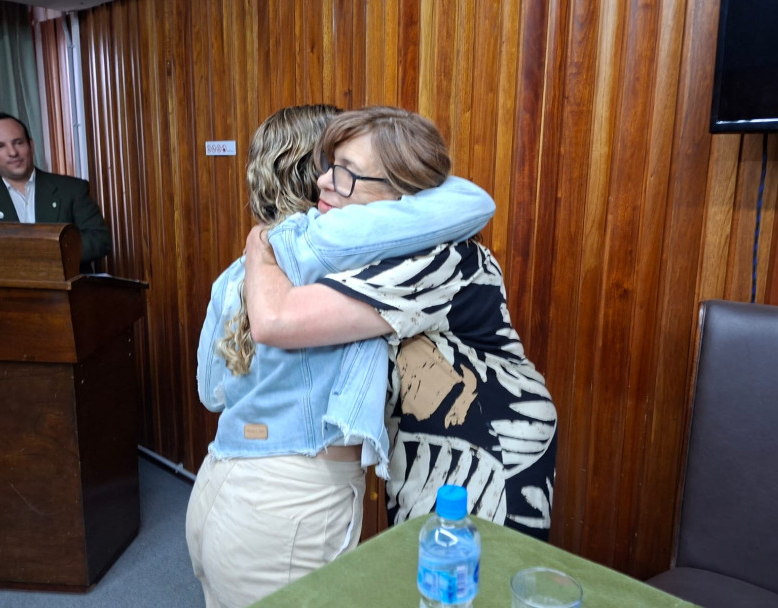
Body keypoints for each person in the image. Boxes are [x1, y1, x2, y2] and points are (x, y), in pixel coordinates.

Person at [186, 104, 495, 607]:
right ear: (314, 172)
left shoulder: (240, 272)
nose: (333, 178)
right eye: (330, 162)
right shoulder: (336, 247)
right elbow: (470, 202)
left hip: (221, 484)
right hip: (289, 506)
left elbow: (210, 392)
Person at [244, 105, 558, 542]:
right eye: (329, 166)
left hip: (493, 449)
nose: (323, 181)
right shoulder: (380, 253)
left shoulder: (440, 261)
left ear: (403, 197)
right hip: (432, 452)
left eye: (347, 173)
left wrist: (258, 241)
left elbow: (275, 319)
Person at [0, 112, 112, 272]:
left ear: (31, 146)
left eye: (18, 142)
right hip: (9, 294)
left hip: (69, 292)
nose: (13, 152)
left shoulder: (71, 189)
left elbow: (100, 240)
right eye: (0, 146)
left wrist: (48, 254)